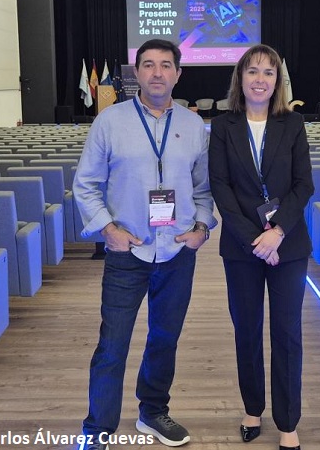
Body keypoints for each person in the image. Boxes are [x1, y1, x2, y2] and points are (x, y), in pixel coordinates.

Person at [73, 39, 217, 450]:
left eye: (166, 65)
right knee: (112, 346)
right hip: (128, 252)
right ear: (136, 72)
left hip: (176, 252)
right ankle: (97, 431)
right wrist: (108, 230)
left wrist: (202, 227)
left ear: (178, 74)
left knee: (164, 340)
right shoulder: (110, 121)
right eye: (148, 64)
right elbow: (85, 184)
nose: (157, 72)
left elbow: (204, 188)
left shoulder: (194, 126)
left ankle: (152, 412)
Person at [208, 44, 314, 450]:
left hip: (288, 246)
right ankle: (252, 408)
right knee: (247, 330)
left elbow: (304, 184)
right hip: (242, 248)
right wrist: (256, 239)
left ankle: (288, 422)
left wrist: (278, 231)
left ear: (277, 82)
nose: (260, 79)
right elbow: (221, 187)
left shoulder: (293, 123)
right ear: (240, 78)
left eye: (269, 72)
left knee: (287, 333)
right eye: (252, 71)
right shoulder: (223, 126)